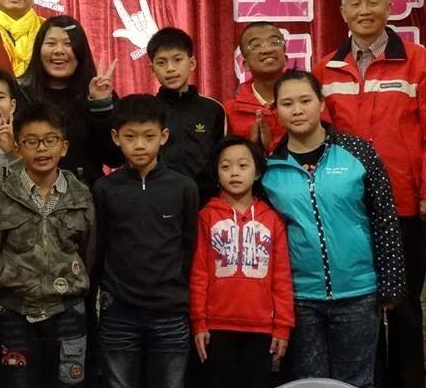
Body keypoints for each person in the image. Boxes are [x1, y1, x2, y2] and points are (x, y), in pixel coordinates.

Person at [312, 0, 426, 388]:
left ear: (388, 7)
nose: (364, 10)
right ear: (342, 13)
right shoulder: (325, 69)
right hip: (348, 210)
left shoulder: (420, 62)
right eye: (355, 3)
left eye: (372, 1)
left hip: (404, 204)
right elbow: (316, 133)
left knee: (405, 305)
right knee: (359, 305)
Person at [262, 70, 406, 388]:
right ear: (276, 110)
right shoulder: (268, 167)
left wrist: (391, 283)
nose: (297, 110)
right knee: (308, 382)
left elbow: (384, 218)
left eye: (305, 101)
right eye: (287, 103)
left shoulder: (358, 153)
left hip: (359, 294)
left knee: (356, 382)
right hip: (300, 297)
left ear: (321, 103)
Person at [0, 103, 95, 387]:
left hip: (67, 309)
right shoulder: (2, 196)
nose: (42, 149)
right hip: (14, 312)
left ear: (64, 146)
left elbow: (89, 252)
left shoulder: (81, 196)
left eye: (50, 140)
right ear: (18, 148)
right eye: (31, 141)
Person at [93, 94, 198, 388]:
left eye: (149, 136)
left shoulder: (183, 187)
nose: (139, 145)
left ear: (163, 136)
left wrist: (178, 291)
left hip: (170, 311)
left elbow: (189, 246)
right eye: (130, 136)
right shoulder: (104, 189)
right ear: (116, 137)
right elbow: (99, 247)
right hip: (119, 311)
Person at [190, 136, 293, 388]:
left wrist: (282, 326)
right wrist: (199, 322)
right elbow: (199, 274)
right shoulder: (206, 217)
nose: (234, 172)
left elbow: (281, 278)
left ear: (257, 172)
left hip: (261, 329)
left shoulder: (272, 220)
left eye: (243, 165)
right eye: (225, 166)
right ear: (216, 173)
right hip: (216, 327)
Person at [18, 15, 123, 188]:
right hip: (28, 195)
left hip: (84, 197)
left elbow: (115, 158)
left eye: (68, 44)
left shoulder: (100, 93)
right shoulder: (19, 93)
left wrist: (101, 107)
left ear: (81, 51)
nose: (59, 51)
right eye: (51, 43)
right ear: (38, 49)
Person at [147, 27, 226, 205]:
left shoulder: (214, 110)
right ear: (152, 69)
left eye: (177, 60)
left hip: (206, 203)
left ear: (192, 63)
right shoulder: (146, 110)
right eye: (161, 62)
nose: (170, 69)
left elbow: (222, 159)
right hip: (157, 201)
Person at [224, 22, 288, 151]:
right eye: (256, 45)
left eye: (275, 42)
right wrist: (253, 149)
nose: (267, 50)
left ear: (286, 58)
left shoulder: (304, 100)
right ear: (245, 65)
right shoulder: (230, 111)